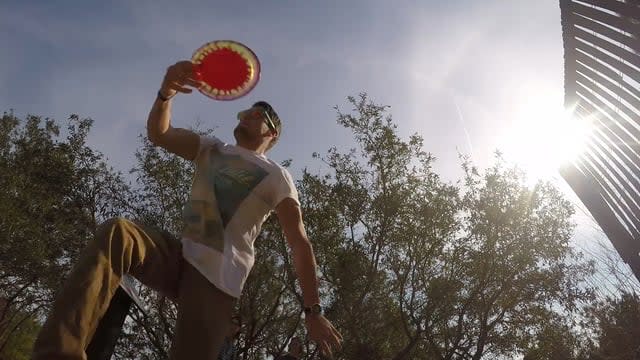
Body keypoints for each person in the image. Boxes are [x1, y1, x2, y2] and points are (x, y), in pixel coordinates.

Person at [31, 60, 343, 359]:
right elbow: (160, 134)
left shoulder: (277, 175)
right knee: (119, 234)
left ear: (272, 133)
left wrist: (313, 310)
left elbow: (299, 241)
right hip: (181, 257)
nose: (245, 115)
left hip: (217, 281)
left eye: (256, 113)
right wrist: (166, 92)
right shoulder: (212, 149)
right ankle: (58, 352)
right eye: (244, 111)